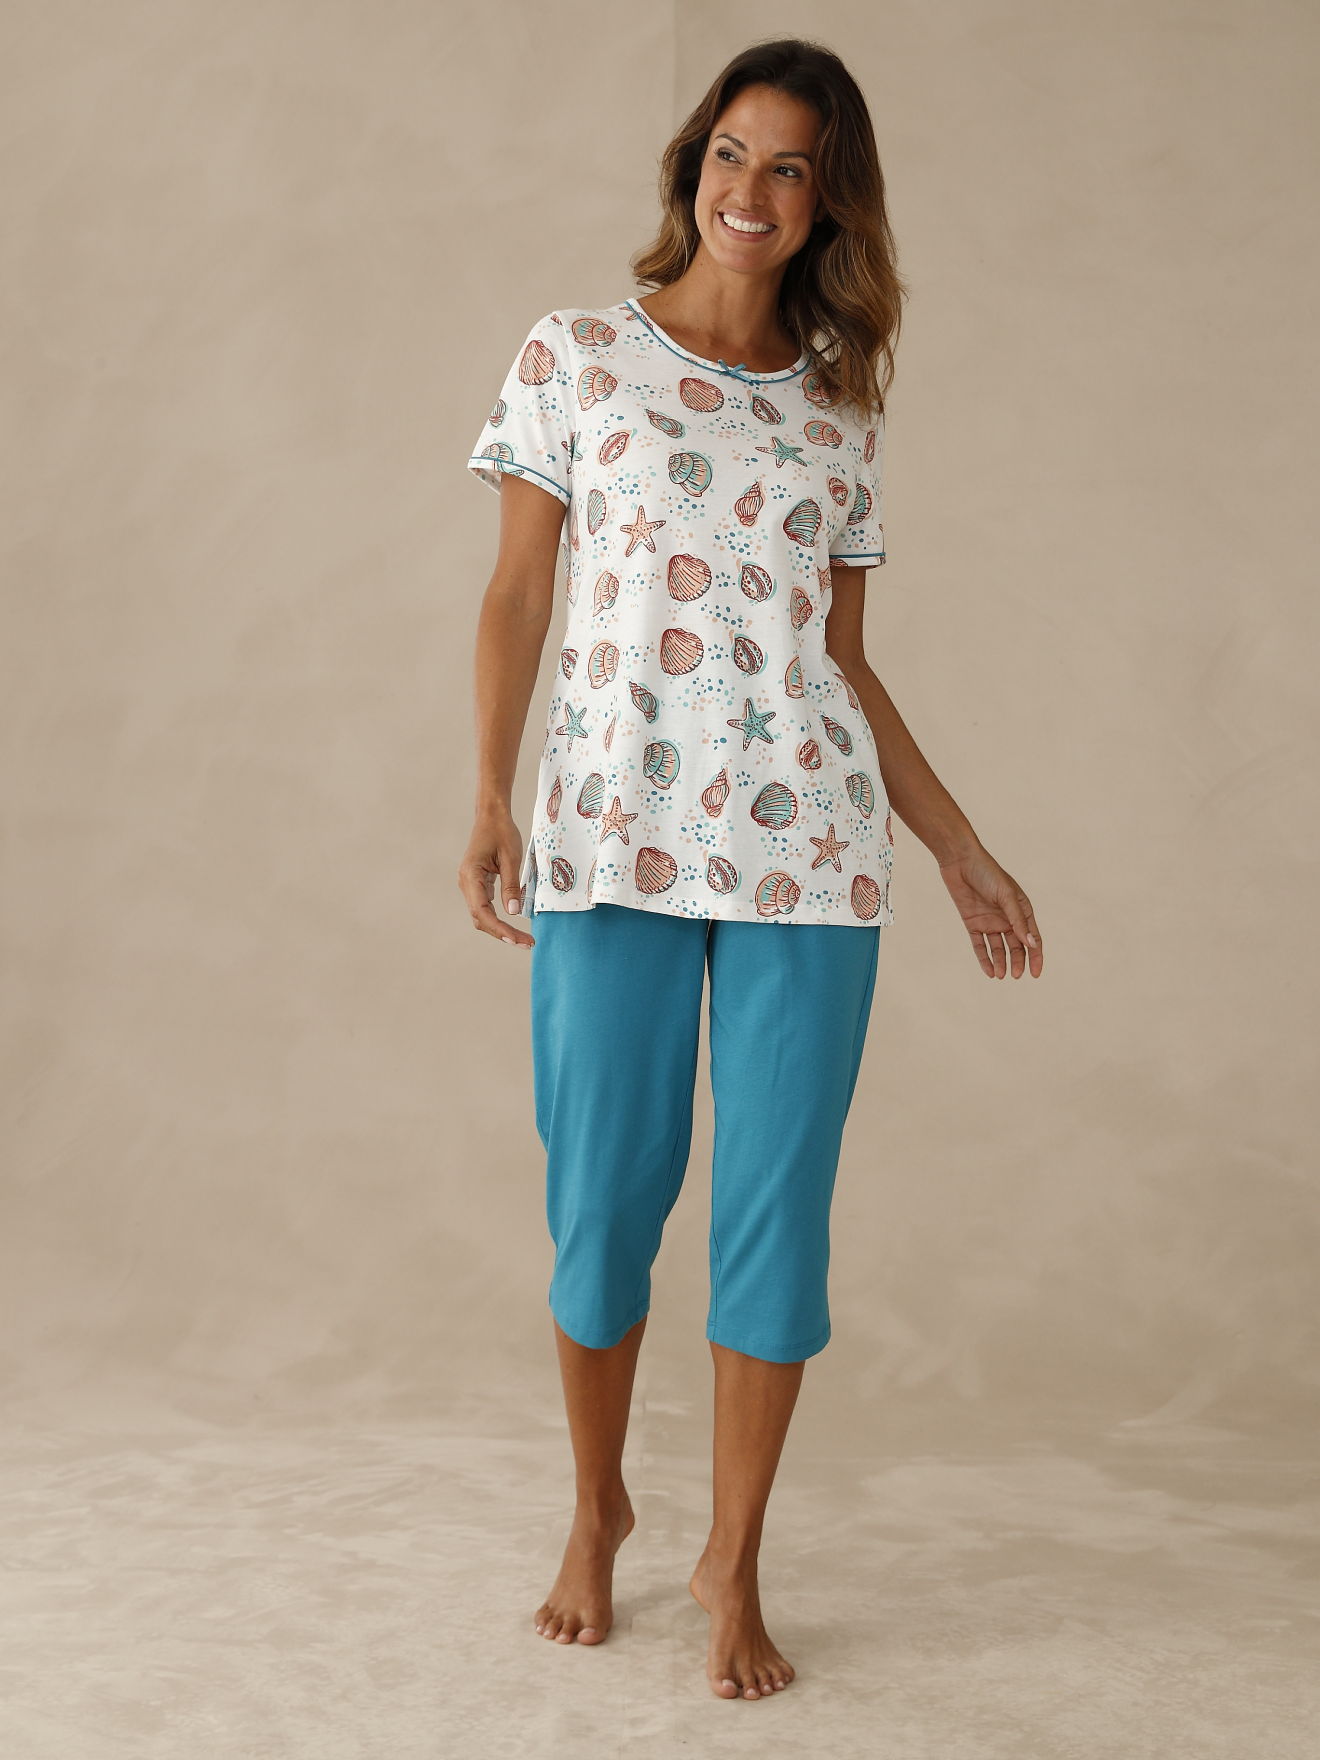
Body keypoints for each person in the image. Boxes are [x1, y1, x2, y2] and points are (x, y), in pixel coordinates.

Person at [459, 37, 1044, 1704]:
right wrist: (489, 794)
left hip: (810, 861)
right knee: (602, 1204)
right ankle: (598, 1510)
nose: (752, 189)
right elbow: (518, 594)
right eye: (732, 151)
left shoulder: (842, 409)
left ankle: (735, 1559)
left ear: (827, 202)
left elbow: (841, 664)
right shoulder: (576, 356)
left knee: (776, 1222)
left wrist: (958, 847)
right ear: (692, 164)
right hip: (607, 841)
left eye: (791, 167)